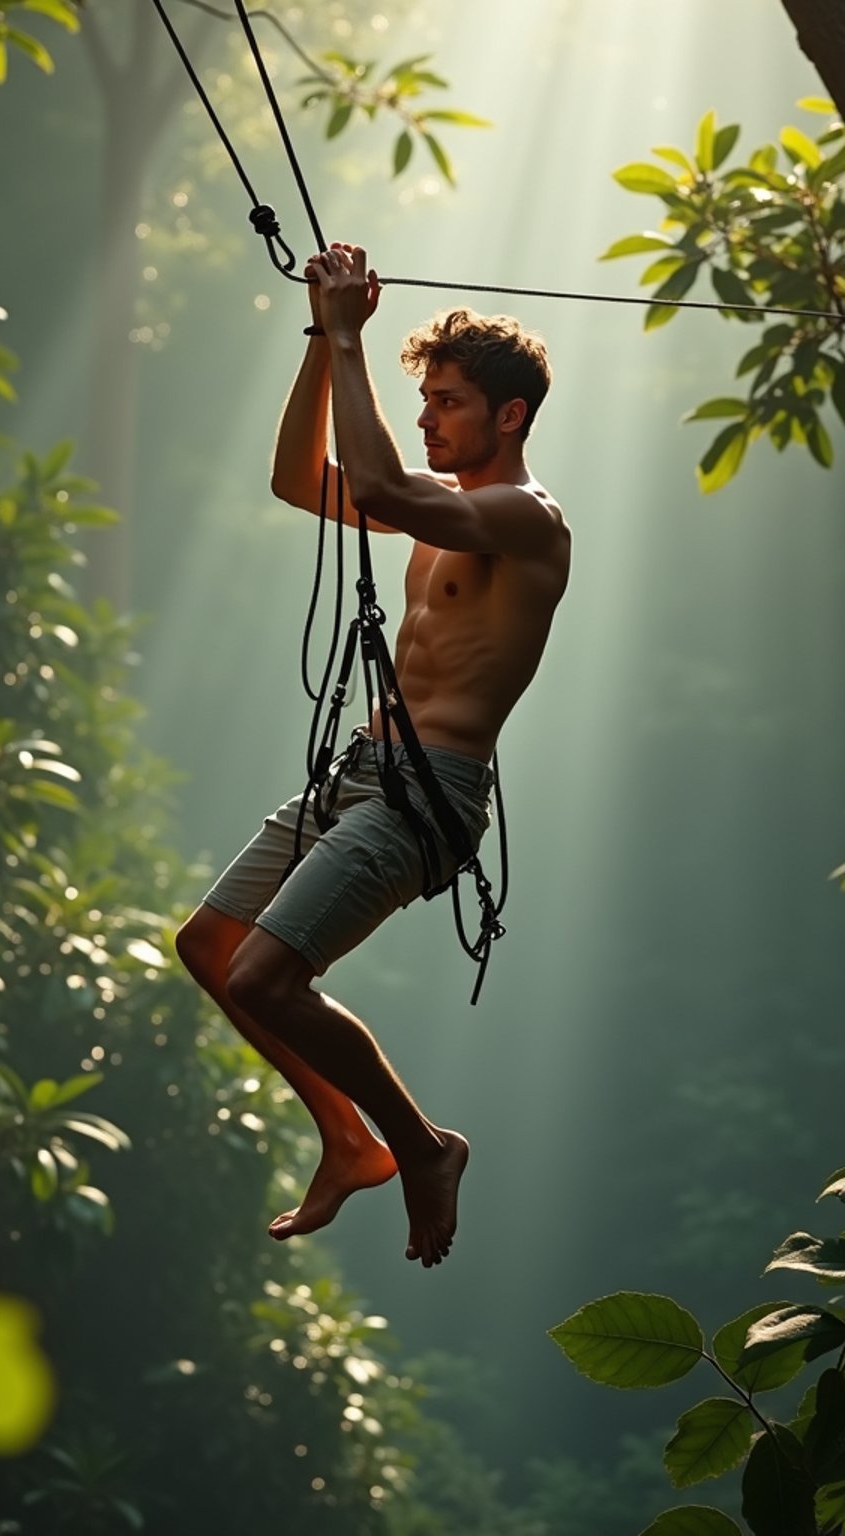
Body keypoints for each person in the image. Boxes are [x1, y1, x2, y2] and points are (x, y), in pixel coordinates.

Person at [175, 244, 571, 1268]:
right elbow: (293, 477)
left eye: (445, 401)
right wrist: (321, 336)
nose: (429, 416)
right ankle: (347, 1139)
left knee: (264, 980)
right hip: (358, 773)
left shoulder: (524, 522)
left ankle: (421, 1145)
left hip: (426, 797)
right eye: (424, 399)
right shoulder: (438, 518)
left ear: (509, 415)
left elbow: (387, 488)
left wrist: (350, 334)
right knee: (209, 951)